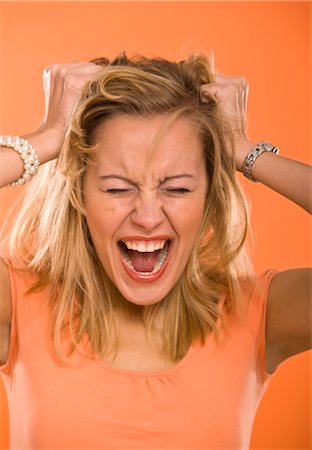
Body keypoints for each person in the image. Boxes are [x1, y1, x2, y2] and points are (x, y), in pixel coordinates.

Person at [0, 53, 311, 449]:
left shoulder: (259, 315)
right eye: (117, 188)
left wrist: (245, 152)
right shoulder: (17, 307)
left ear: (208, 197)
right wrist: (47, 138)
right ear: (79, 194)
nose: (147, 217)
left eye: (177, 188)